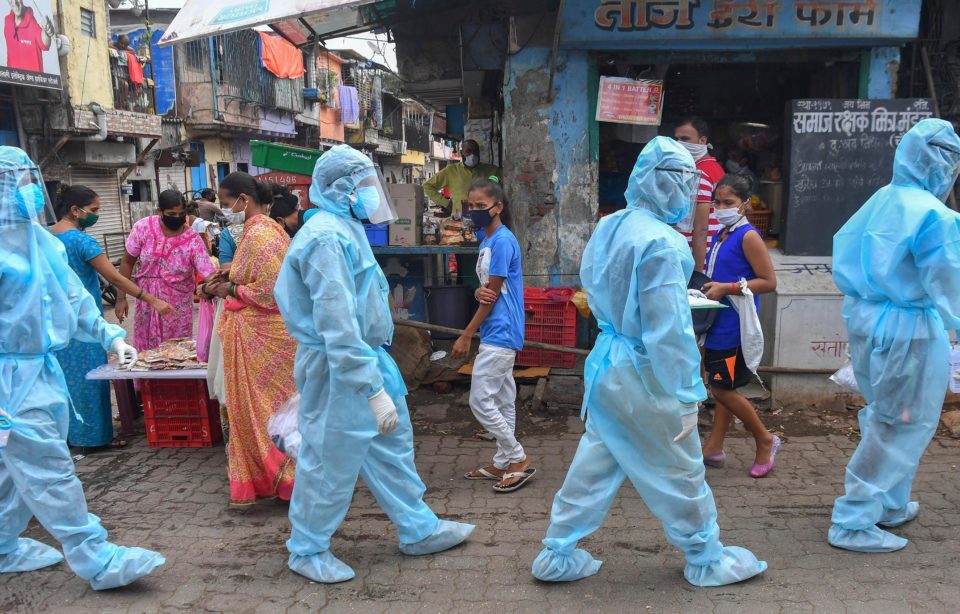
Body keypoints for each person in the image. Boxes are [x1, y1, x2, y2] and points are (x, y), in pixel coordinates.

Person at [531, 137, 766, 587]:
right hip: (646, 372)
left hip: (608, 365)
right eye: (684, 181)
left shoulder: (611, 225)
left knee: (596, 460)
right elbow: (666, 328)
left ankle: (557, 552)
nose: (688, 193)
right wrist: (685, 390)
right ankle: (705, 555)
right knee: (679, 467)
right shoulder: (663, 243)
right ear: (669, 184)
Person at [276, 144, 474, 583]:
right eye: (364, 184)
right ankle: (307, 548)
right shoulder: (325, 238)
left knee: (392, 449)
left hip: (366, 360)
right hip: (339, 369)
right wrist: (369, 387)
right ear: (341, 189)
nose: (372, 193)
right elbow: (337, 324)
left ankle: (418, 528)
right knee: (330, 459)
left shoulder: (343, 228)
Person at [0, 146, 164, 588]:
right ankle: (96, 558)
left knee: (11, 469)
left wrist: (111, 335)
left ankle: (3, 545)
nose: (29, 192)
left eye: (30, 181)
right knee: (49, 468)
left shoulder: (44, 244)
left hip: (42, 371)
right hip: (9, 382)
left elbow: (74, 299)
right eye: (17, 183)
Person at [828, 118, 960, 553]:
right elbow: (948, 282)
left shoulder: (882, 199)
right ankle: (854, 517)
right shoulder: (934, 215)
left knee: (890, 414)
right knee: (900, 422)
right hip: (910, 330)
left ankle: (889, 502)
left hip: (868, 319)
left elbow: (845, 249)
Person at [48, 185, 173, 450]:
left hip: (55, 321)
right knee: (91, 378)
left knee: (64, 379)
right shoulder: (82, 241)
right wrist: (151, 299)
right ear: (75, 210)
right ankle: (94, 438)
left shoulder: (46, 237)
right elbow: (115, 277)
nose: (96, 215)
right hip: (85, 321)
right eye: (93, 211)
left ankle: (70, 435)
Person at [200, 174, 297, 505]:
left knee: (262, 412)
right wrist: (229, 275)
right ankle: (280, 479)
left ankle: (287, 480)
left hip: (263, 335)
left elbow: (271, 289)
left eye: (227, 204)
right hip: (263, 334)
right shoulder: (268, 228)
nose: (227, 210)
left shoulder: (260, 234)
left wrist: (230, 289)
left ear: (244, 199)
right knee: (268, 410)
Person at [452, 178, 535, 493]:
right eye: (471, 206)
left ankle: (517, 457)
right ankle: (503, 461)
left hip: (501, 330)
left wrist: (466, 335)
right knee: (502, 398)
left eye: (481, 206)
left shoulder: (502, 241)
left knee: (480, 399)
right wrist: (477, 292)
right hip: (496, 328)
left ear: (498, 208)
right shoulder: (486, 241)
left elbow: (495, 294)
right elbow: (487, 291)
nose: (474, 212)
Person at [698, 174, 779, 477]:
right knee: (723, 385)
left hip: (734, 327)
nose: (720, 208)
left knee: (721, 389)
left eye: (728, 203)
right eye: (717, 202)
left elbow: (769, 282)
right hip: (716, 322)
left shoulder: (748, 236)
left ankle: (765, 439)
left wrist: (726, 288)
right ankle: (715, 447)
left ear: (745, 204)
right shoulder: (723, 234)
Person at [117, 189, 216, 351]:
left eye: (180, 214)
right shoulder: (143, 228)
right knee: (146, 352)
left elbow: (208, 272)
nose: (176, 218)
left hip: (177, 308)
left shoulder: (192, 239)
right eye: (171, 214)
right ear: (160, 212)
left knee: (177, 352)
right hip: (146, 302)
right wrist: (120, 298)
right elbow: (127, 262)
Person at [674, 117, 724, 272]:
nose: (679, 143)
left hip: (698, 257)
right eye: (676, 139)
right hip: (709, 252)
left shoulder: (700, 174)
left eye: (685, 139)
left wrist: (697, 272)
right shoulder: (714, 167)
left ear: (702, 140)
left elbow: (701, 229)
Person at [422, 139, 500, 217]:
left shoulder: (491, 170)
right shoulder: (451, 171)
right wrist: (446, 203)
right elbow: (427, 186)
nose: (473, 155)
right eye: (468, 151)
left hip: (485, 219)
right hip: (459, 221)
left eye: (475, 151)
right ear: (462, 153)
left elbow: (502, 181)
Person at [4, 0, 54, 73]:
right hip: (12, 81)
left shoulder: (31, 23)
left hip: (33, 82)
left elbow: (44, 43)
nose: (14, 2)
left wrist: (47, 32)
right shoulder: (7, 21)